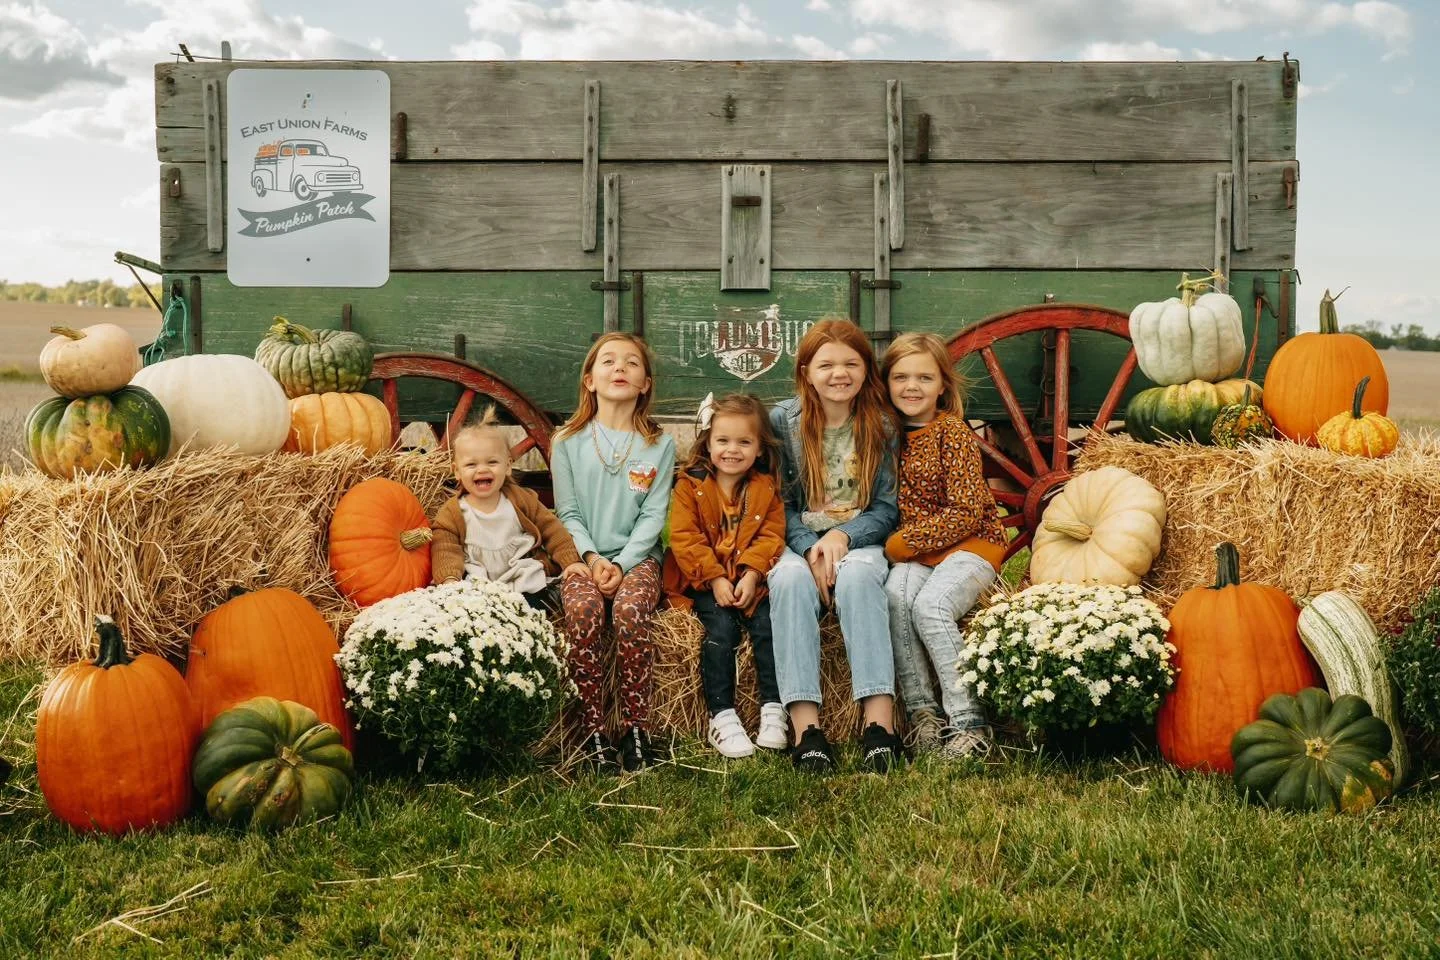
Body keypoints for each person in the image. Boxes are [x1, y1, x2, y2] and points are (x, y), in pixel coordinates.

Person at [768, 317, 903, 774]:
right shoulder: (783, 423)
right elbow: (776, 504)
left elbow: (886, 508)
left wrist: (843, 536)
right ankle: (807, 728)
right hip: (800, 539)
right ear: (806, 371)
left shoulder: (881, 426)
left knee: (862, 576)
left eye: (851, 363)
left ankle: (878, 725)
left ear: (867, 370)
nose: (838, 373)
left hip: (860, 535)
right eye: (826, 364)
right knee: (786, 581)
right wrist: (809, 547)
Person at [551, 333, 676, 773]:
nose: (619, 368)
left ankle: (635, 727)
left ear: (645, 384)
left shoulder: (659, 444)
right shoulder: (567, 440)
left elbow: (653, 515)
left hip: (638, 559)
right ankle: (594, 731)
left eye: (631, 363)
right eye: (608, 361)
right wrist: (591, 560)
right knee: (583, 611)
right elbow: (566, 511)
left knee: (628, 611)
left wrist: (622, 564)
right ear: (590, 379)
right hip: (583, 557)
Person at [881, 332, 1007, 760]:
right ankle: (923, 717)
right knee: (896, 598)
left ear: (942, 386)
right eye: (900, 377)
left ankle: (968, 722)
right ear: (885, 383)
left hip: (973, 545)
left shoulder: (951, 432)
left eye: (924, 377)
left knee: (930, 607)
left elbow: (967, 511)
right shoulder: (887, 436)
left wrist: (905, 542)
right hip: (920, 553)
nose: (911, 387)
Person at [662, 393, 788, 759]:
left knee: (767, 627)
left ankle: (773, 708)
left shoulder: (765, 488)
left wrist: (751, 574)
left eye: (744, 442)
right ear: (708, 442)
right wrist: (716, 579)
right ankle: (722, 715)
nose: (732, 450)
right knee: (721, 631)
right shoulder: (691, 485)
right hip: (705, 580)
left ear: (760, 449)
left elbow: (771, 534)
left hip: (748, 579)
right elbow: (685, 539)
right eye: (723, 441)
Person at [430, 408, 588, 611]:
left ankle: (535, 611)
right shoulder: (453, 512)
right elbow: (445, 548)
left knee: (533, 605)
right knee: (473, 609)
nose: (482, 469)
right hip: (479, 582)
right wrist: (449, 578)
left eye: (492, 462)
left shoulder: (520, 500)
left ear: (508, 466)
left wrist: (570, 561)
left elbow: (552, 529)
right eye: (471, 464)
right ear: (457, 472)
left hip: (520, 576)